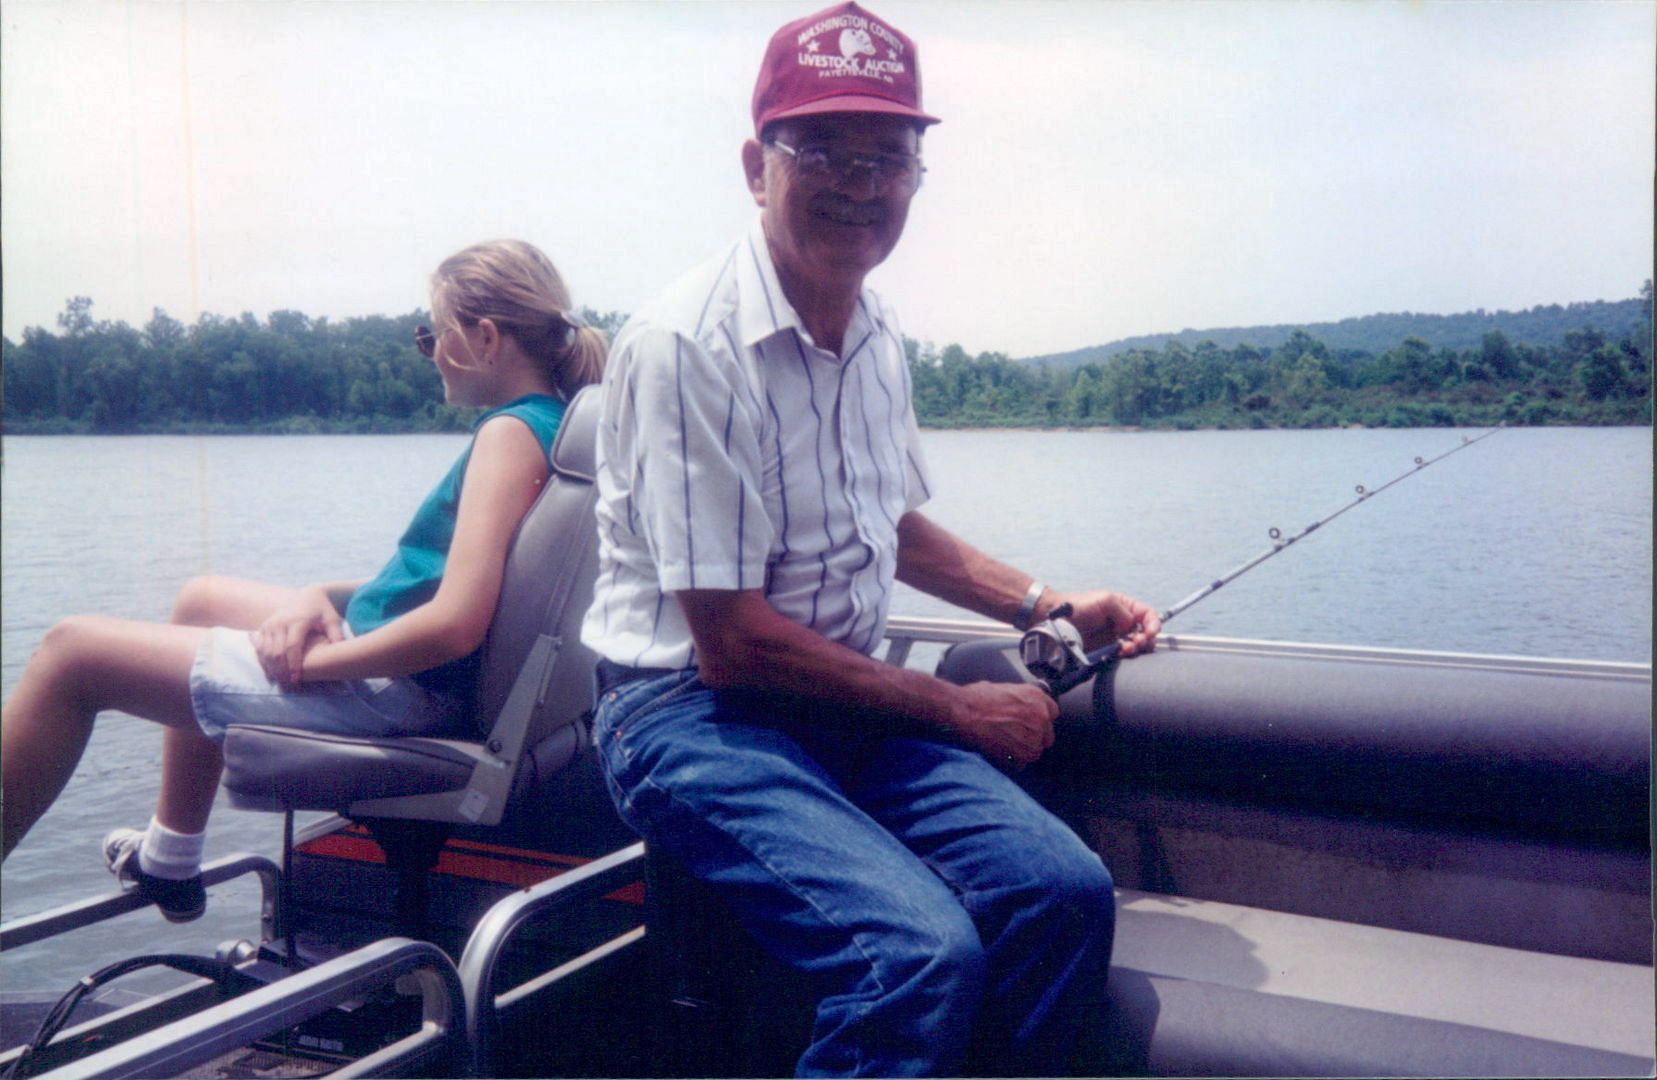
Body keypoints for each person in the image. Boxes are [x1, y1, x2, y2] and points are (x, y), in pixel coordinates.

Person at [579, 3, 1161, 1075]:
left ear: (915, 178)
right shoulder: (683, 345)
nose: (860, 183)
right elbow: (731, 645)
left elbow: (887, 524)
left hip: (834, 700)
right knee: (913, 954)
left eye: (889, 156)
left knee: (1062, 892)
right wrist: (959, 710)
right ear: (755, 167)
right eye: (823, 151)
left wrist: (1043, 606)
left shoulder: (878, 328)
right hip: (687, 715)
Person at [0, 240, 607, 923]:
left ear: (485, 338)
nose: (430, 352)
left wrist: (314, 665)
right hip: (415, 674)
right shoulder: (552, 425)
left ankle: (165, 854)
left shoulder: (507, 437)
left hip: (400, 692)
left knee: (70, 655)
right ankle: (170, 857)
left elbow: (455, 624)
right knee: (202, 598)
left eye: (431, 335)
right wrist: (319, 597)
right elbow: (440, 584)